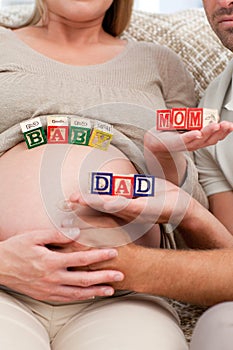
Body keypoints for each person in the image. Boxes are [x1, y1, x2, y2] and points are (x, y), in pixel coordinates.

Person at [0, 0, 223, 348]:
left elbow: (183, 207)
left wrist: (163, 154)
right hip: (5, 285)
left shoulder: (161, 62)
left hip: (123, 296)